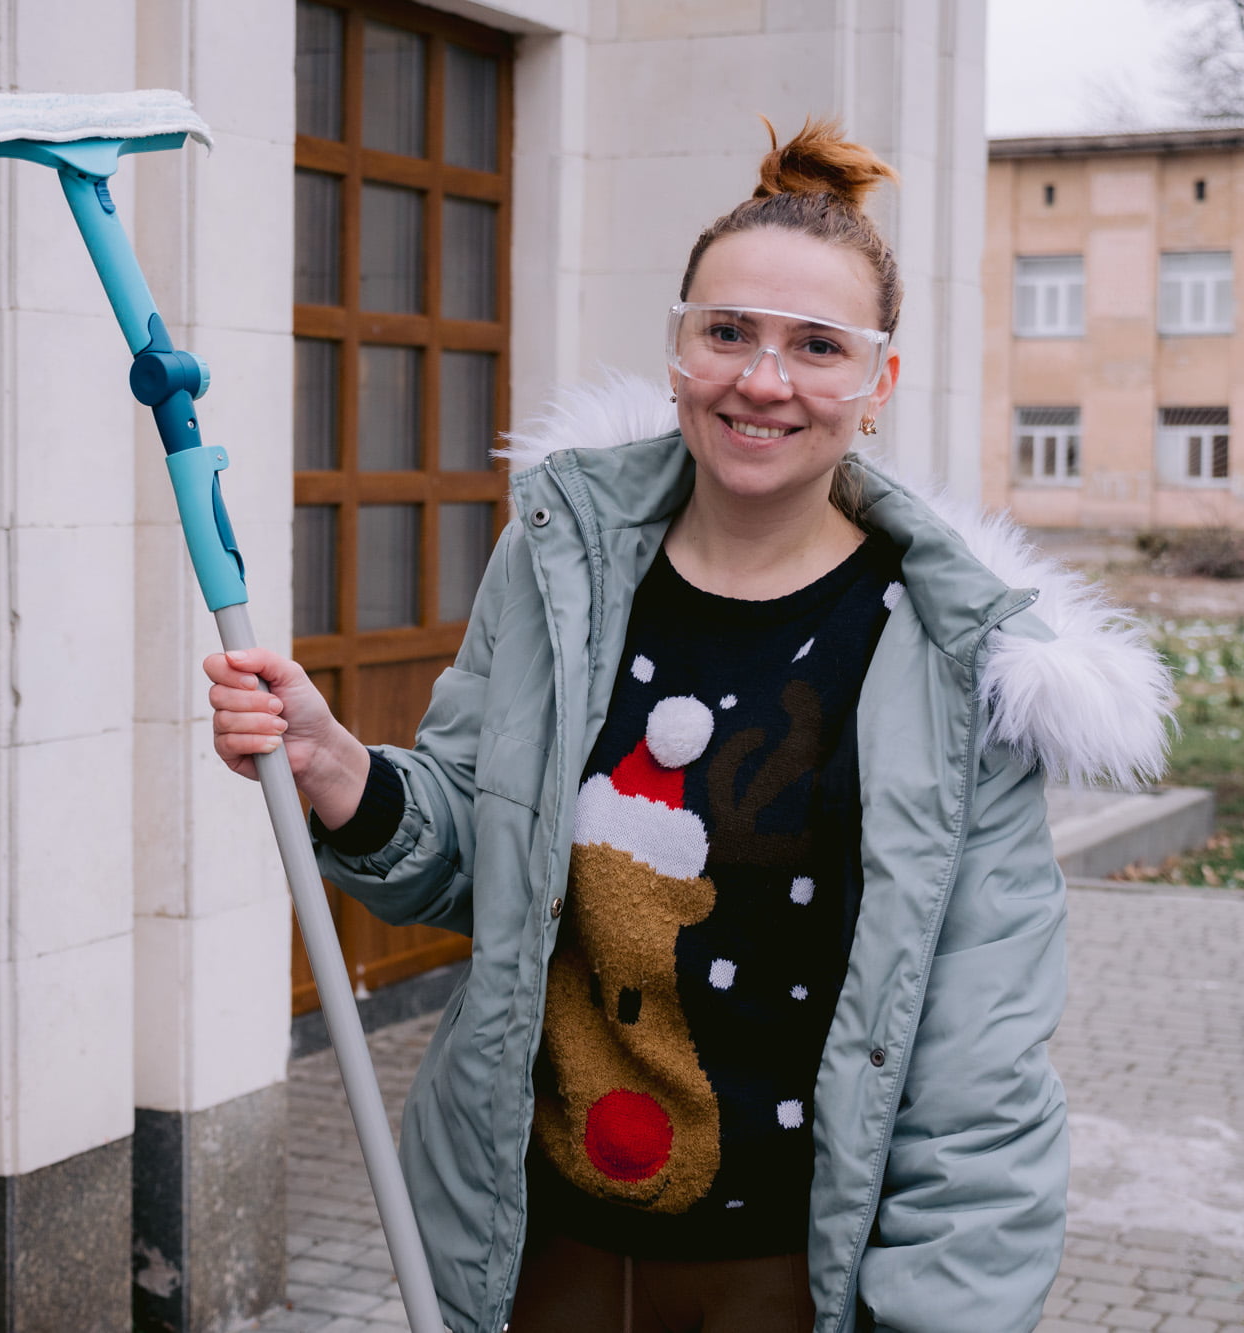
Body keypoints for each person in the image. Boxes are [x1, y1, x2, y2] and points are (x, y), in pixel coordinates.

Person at [207, 117, 1174, 1333]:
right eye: (727, 333)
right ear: (677, 350)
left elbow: (978, 1067)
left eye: (815, 346)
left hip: (783, 1279)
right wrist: (336, 766)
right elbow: (472, 866)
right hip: (531, 1250)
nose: (760, 379)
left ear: (877, 381)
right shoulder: (558, 569)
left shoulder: (947, 659)